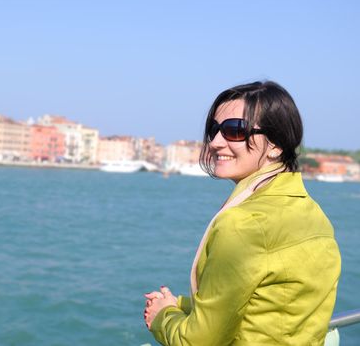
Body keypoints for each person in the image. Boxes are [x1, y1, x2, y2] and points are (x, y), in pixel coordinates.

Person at [143, 81, 341, 345]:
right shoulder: (314, 214)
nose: (214, 142)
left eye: (234, 130)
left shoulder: (242, 223)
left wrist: (162, 316)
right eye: (214, 130)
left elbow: (196, 342)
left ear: (276, 145)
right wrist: (179, 304)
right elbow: (269, 309)